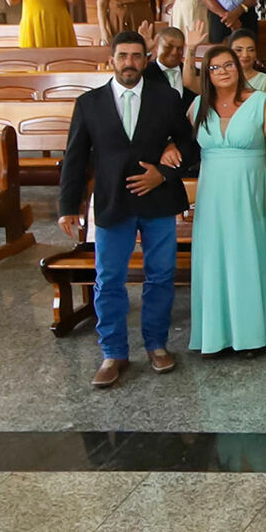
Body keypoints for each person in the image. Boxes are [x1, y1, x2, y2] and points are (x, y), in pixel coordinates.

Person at [56, 32, 201, 387]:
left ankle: (157, 345)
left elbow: (191, 148)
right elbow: (74, 158)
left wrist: (163, 173)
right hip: (112, 202)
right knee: (108, 280)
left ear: (146, 60)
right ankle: (113, 353)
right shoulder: (89, 103)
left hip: (157, 201)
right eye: (123, 56)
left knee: (161, 276)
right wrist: (67, 206)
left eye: (137, 56)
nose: (129, 63)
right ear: (111, 60)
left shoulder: (166, 98)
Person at [187, 43, 266, 354]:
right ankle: (217, 336)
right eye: (215, 67)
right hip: (212, 197)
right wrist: (167, 148)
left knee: (249, 257)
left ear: (239, 67)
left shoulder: (261, 102)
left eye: (228, 65)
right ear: (207, 74)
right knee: (215, 260)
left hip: (252, 192)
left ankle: (254, 334)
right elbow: (180, 142)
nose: (222, 72)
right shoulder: (197, 106)